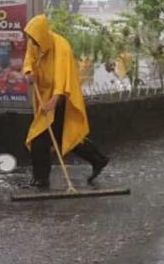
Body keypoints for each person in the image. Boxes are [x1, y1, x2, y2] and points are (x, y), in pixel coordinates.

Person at [22, 14, 108, 189]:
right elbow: (28, 61)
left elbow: (62, 79)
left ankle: (40, 178)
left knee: (40, 137)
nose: (32, 42)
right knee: (63, 136)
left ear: (43, 35)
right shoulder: (35, 43)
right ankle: (98, 159)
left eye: (34, 38)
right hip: (46, 97)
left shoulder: (62, 47)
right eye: (31, 39)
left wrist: (54, 100)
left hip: (62, 98)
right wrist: (29, 72)